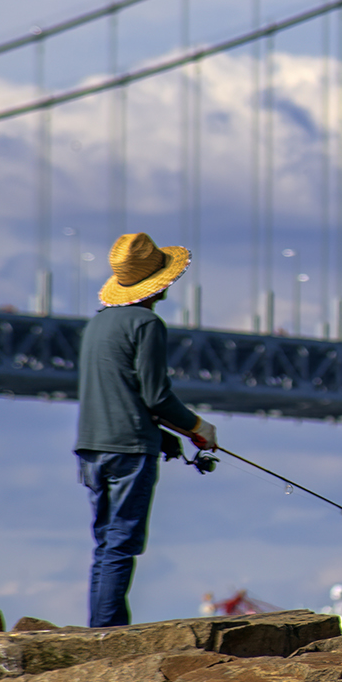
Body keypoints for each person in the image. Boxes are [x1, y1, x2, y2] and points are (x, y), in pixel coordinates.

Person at [75, 231, 219, 628]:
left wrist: (163, 436)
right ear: (160, 281)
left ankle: (100, 628)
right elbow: (155, 397)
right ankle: (108, 636)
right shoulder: (147, 324)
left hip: (90, 448)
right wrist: (198, 427)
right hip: (128, 452)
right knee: (122, 544)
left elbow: (120, 393)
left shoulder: (97, 325)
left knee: (106, 544)